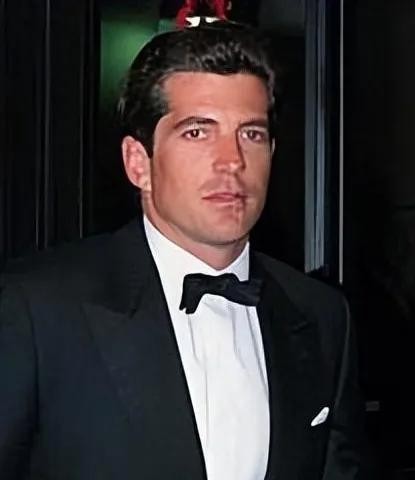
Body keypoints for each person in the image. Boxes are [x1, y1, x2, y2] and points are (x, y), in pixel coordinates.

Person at [0, 22, 365, 479]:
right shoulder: (36, 309)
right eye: (197, 132)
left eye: (251, 134)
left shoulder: (322, 316)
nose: (232, 160)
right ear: (139, 163)